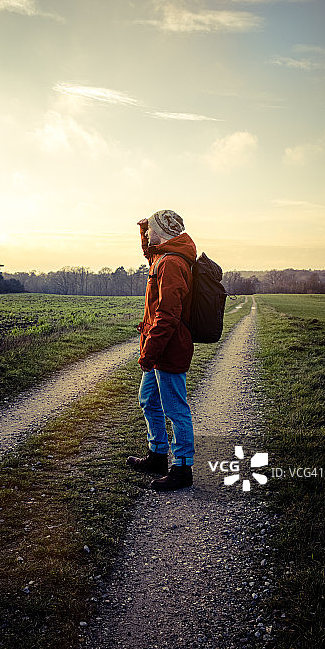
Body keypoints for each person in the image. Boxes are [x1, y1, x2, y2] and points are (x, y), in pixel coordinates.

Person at [126, 210, 197, 492]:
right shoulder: (165, 257)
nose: (148, 235)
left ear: (163, 232)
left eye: (151, 230)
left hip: (168, 348)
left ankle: (182, 468)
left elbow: (167, 316)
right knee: (148, 399)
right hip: (160, 348)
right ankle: (157, 456)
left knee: (175, 409)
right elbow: (150, 255)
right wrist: (143, 231)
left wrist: (149, 353)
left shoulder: (171, 263)